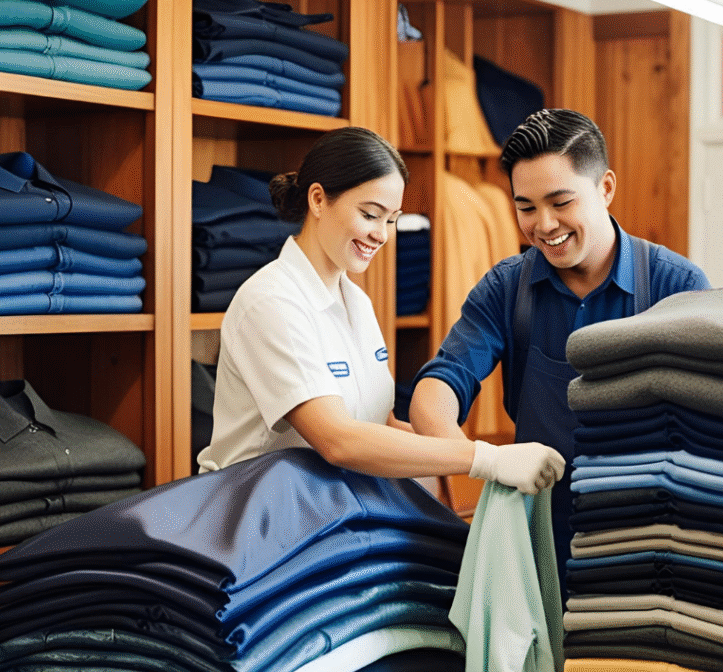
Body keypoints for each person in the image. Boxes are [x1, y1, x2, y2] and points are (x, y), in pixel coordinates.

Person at [408, 108, 711, 593]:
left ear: (605, 188)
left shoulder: (678, 286)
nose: (544, 225)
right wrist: (478, 460)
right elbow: (438, 388)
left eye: (560, 202)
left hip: (650, 551)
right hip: (538, 551)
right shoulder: (507, 289)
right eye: (525, 207)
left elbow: (715, 409)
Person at [199, 126, 564, 494]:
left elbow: (380, 424)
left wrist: (470, 460)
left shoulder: (355, 301)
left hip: (330, 509)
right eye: (370, 215)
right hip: (260, 519)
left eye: (390, 219)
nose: (382, 235)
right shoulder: (272, 302)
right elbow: (339, 441)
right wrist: (484, 459)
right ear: (318, 200)